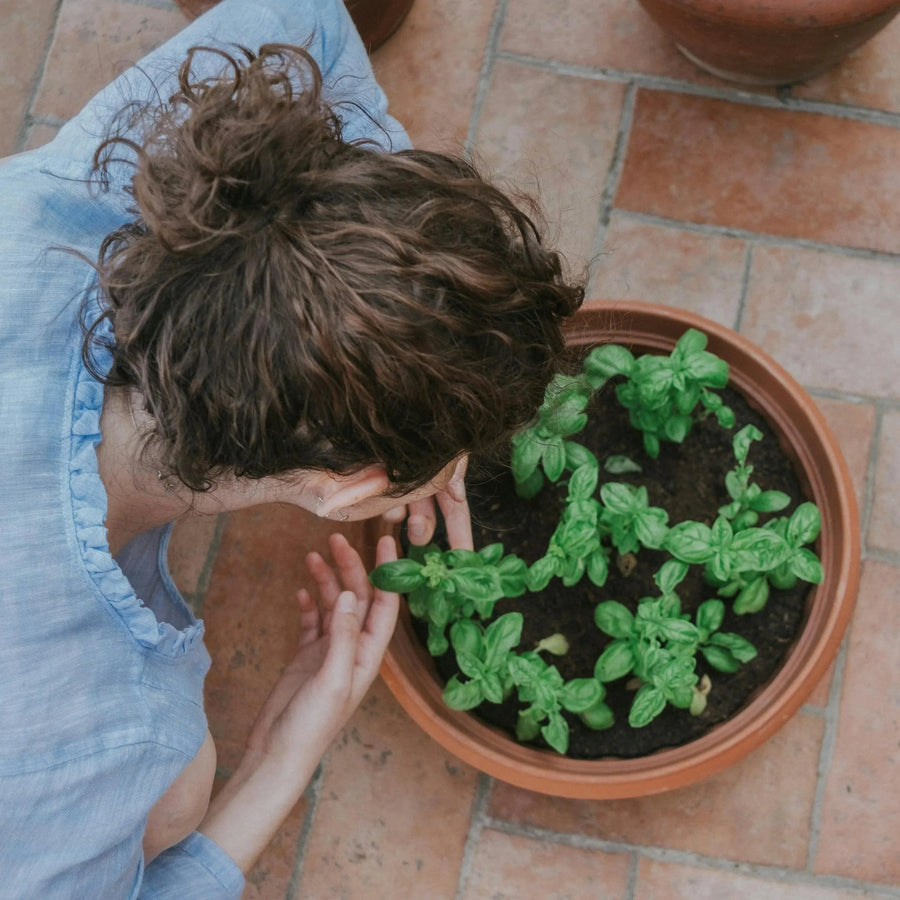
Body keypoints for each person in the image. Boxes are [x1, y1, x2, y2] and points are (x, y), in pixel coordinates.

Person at [0, 0, 583, 896]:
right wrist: (280, 757)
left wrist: (369, 303)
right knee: (178, 795)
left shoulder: (65, 202)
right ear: (351, 492)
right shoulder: (93, 736)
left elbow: (306, 19)